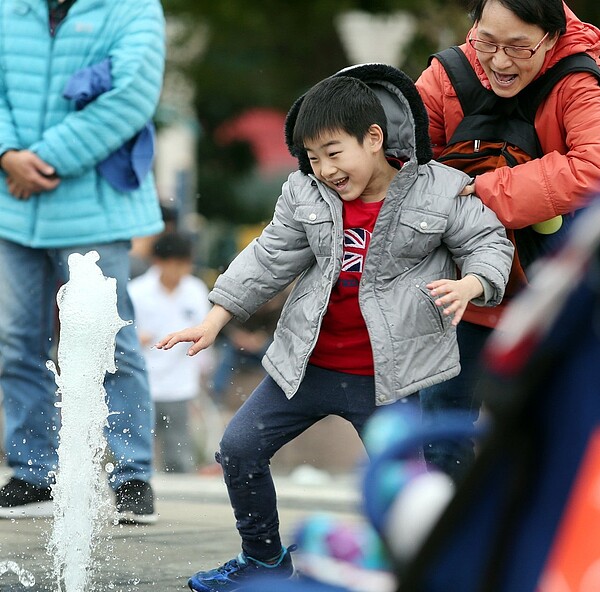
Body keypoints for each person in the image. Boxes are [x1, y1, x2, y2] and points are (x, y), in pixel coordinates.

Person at [156, 64, 514, 592]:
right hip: (307, 367)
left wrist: (473, 284)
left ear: (373, 138)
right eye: (313, 158)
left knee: (402, 485)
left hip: (390, 378)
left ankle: (414, 570)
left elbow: (489, 242)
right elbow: (267, 257)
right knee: (239, 448)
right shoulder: (305, 194)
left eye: (333, 152)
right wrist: (215, 318)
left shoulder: (440, 191)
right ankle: (263, 558)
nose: (324, 169)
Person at [415, 0, 600, 481]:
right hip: (459, 290)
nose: (499, 62)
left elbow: (594, 167)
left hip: (556, 292)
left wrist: (482, 189)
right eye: (487, 42)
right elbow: (404, 170)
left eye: (518, 47)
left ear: (552, 37)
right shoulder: (443, 78)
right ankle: (445, 548)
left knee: (551, 439)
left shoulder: (581, 81)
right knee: (439, 434)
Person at [0, 0, 165, 523]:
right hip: (12, 201)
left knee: (109, 339)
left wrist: (42, 158)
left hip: (92, 208)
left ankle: (133, 476)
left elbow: (131, 97)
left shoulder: (135, 8)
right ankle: (32, 472)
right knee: (13, 342)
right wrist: (6, 153)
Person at [129, 232, 212, 473]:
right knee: (136, 449)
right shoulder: (136, 291)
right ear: (159, 262)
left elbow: (206, 334)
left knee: (179, 454)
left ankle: (184, 504)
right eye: (174, 264)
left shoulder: (195, 291)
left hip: (180, 386)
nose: (179, 271)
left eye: (184, 264)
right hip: (143, 385)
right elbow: (119, 337)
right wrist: (136, 339)